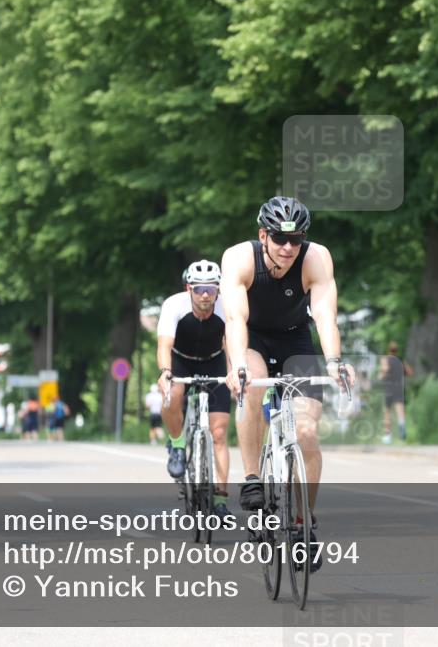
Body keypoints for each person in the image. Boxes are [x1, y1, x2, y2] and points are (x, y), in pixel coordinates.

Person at [221, 196, 356, 574]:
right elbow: (234, 317)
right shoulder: (238, 258)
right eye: (279, 238)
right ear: (263, 235)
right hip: (251, 336)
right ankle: (251, 478)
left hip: (296, 338)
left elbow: (326, 316)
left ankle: (304, 523)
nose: (287, 248)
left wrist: (333, 361)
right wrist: (236, 366)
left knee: (308, 431)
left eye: (295, 240)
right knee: (252, 385)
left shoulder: (316, 258)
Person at [157, 259, 234, 518]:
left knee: (220, 433)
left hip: (214, 362)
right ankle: (178, 445)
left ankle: (221, 499)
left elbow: (231, 344)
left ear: (218, 290)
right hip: (181, 361)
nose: (204, 295)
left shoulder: (227, 307)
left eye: (211, 289)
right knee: (172, 395)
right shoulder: (173, 305)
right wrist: (166, 373)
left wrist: (234, 373)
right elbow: (164, 345)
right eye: (199, 289)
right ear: (188, 288)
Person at [378, 341, 413, 444]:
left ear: (388, 349)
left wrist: (380, 376)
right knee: (400, 411)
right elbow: (410, 372)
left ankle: (388, 436)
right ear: (397, 351)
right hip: (399, 388)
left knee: (387, 413)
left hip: (389, 388)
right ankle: (402, 426)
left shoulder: (385, 359)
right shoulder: (401, 360)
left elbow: (384, 371)